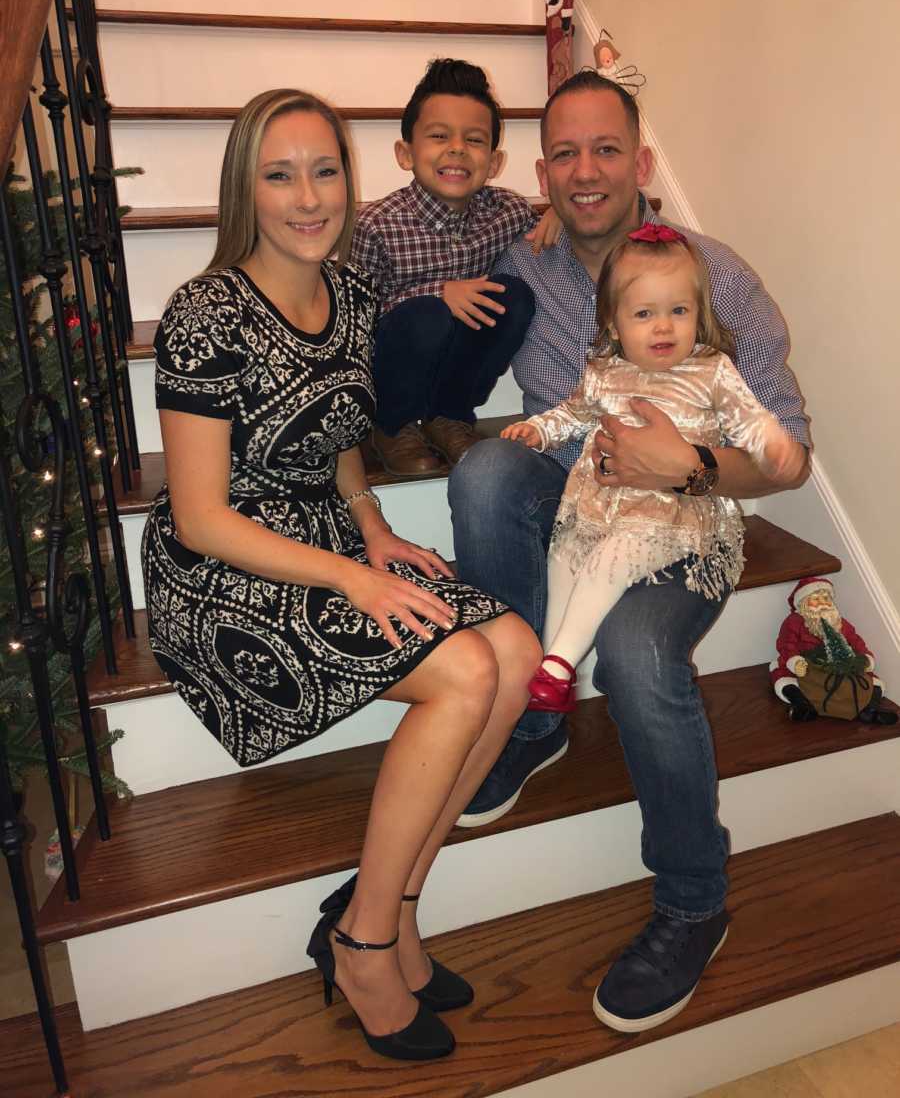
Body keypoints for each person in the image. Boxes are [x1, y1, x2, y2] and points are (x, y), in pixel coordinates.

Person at [141, 89, 541, 1061]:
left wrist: (370, 528)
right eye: (280, 175)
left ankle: (391, 907)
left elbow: (333, 434)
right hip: (223, 572)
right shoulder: (204, 312)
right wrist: (353, 577)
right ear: (247, 187)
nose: (308, 197)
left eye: (325, 171)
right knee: (462, 674)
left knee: (516, 649)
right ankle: (365, 942)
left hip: (324, 537)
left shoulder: (354, 293)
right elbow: (201, 515)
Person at [448, 70, 810, 1032]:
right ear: (541, 175)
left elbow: (789, 458)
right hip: (571, 505)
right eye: (564, 153)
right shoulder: (524, 268)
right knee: (484, 472)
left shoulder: (715, 276)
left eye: (606, 148)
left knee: (642, 659)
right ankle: (531, 722)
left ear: (642, 162)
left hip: (685, 524)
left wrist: (685, 463)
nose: (587, 170)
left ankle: (695, 901)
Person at [501, 223, 803, 713]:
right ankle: (553, 658)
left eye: (678, 311)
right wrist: (539, 429)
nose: (664, 327)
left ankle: (558, 663)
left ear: (699, 315)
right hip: (595, 505)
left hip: (667, 514)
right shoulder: (603, 370)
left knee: (610, 561)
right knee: (565, 558)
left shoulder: (711, 369)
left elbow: (750, 419)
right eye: (645, 314)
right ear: (616, 325)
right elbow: (573, 414)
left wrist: (773, 445)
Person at [350, 58, 552, 476]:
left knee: (513, 296)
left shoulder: (506, 212)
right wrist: (438, 293)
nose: (457, 149)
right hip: (394, 371)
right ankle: (391, 428)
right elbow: (355, 322)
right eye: (439, 136)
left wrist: (560, 215)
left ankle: (449, 417)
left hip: (454, 372)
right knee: (428, 315)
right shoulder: (376, 225)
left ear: (494, 164)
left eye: (474, 140)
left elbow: (548, 238)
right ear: (405, 153)